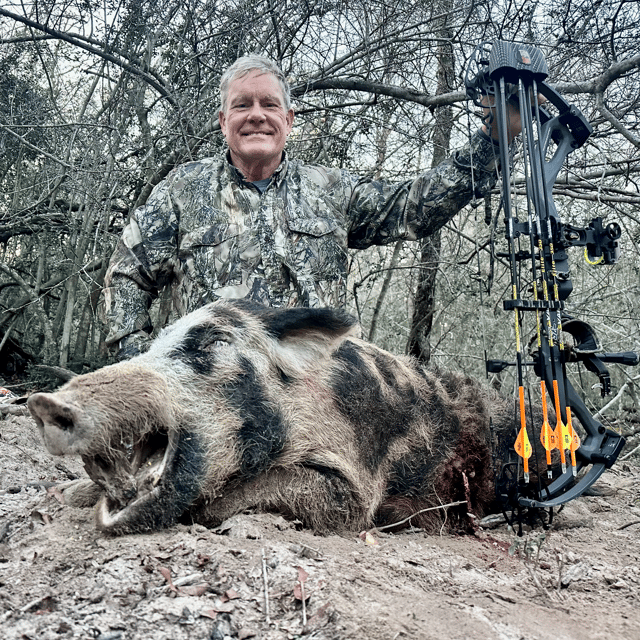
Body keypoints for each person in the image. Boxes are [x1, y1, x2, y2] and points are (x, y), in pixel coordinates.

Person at [104, 54, 519, 358]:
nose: (256, 116)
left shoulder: (330, 189)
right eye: (242, 105)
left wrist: (493, 138)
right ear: (222, 119)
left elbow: (412, 207)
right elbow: (126, 276)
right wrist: (148, 365)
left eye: (269, 104)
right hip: (214, 397)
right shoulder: (182, 189)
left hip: (318, 393)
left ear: (289, 118)